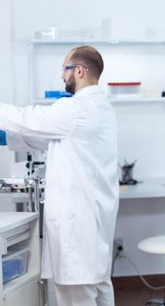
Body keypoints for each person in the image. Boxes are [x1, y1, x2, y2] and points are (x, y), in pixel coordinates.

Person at [0, 46, 119, 306]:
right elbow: (47, 137)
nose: (61, 77)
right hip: (93, 231)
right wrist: (7, 138)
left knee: (78, 297)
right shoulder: (100, 107)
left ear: (79, 70)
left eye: (64, 70)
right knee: (99, 292)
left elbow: (28, 118)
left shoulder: (75, 109)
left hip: (78, 232)